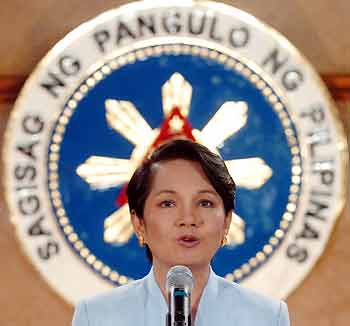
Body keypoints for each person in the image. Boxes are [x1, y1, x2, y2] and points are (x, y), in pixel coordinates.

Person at [72, 139, 290, 326]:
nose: (188, 219)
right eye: (167, 203)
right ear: (138, 223)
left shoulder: (267, 317)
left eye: (204, 202)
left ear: (226, 221)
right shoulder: (97, 317)